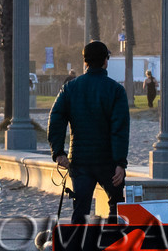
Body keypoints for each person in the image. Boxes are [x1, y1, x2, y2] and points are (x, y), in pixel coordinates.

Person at [49, 41, 131, 224]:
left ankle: (79, 248)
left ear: (85, 62)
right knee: (116, 205)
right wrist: (120, 162)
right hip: (107, 160)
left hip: (80, 159)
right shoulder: (116, 90)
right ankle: (112, 244)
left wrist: (58, 152)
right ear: (105, 61)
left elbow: (56, 118)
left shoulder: (70, 88)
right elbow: (120, 129)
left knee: (81, 208)